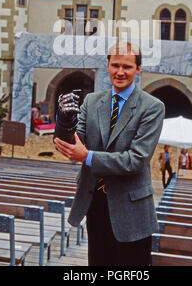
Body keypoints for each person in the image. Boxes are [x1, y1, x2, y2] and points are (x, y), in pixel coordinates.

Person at [53, 41, 165, 266]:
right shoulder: (92, 101)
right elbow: (73, 142)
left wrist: (87, 157)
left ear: (138, 69)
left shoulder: (152, 107)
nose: (120, 72)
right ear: (107, 66)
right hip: (96, 203)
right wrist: (65, 121)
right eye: (115, 65)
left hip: (132, 209)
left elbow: (136, 160)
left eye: (127, 66)